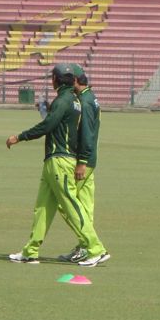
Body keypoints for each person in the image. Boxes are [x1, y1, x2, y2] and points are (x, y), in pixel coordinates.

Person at [6, 63, 109, 267]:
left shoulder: (65, 100)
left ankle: (95, 248)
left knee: (69, 205)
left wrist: (20, 137)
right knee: (43, 207)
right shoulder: (75, 100)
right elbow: (58, 124)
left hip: (60, 160)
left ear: (55, 79)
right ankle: (30, 251)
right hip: (56, 160)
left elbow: (49, 125)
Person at [58, 65, 103, 264]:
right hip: (91, 158)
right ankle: (84, 247)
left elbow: (86, 132)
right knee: (85, 206)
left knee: (68, 204)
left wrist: (81, 162)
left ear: (76, 80)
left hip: (84, 160)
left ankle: (90, 246)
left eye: (69, 80)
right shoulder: (90, 97)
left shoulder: (84, 102)